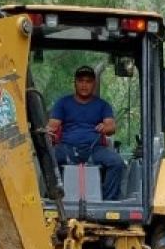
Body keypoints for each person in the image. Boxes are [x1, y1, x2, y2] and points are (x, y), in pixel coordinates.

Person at [48, 65, 124, 200]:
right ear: (75, 83)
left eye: (88, 81)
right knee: (47, 159)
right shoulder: (63, 103)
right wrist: (47, 131)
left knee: (117, 162)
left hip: (94, 150)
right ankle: (51, 198)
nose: (84, 85)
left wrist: (105, 127)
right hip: (67, 149)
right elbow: (52, 126)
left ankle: (108, 202)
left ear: (94, 84)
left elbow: (111, 126)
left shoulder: (102, 105)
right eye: (81, 81)